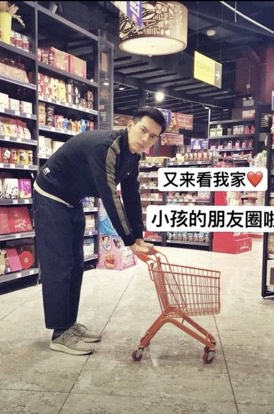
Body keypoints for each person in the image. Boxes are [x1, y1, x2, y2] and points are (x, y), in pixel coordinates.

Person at [33, 106, 167, 355]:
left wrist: (138, 235)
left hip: (72, 200)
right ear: (130, 125)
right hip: (50, 195)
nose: (145, 139)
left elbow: (131, 194)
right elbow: (110, 194)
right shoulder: (107, 147)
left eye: (152, 137)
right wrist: (129, 241)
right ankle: (59, 334)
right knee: (59, 265)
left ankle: (69, 324)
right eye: (143, 130)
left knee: (75, 264)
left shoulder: (133, 156)